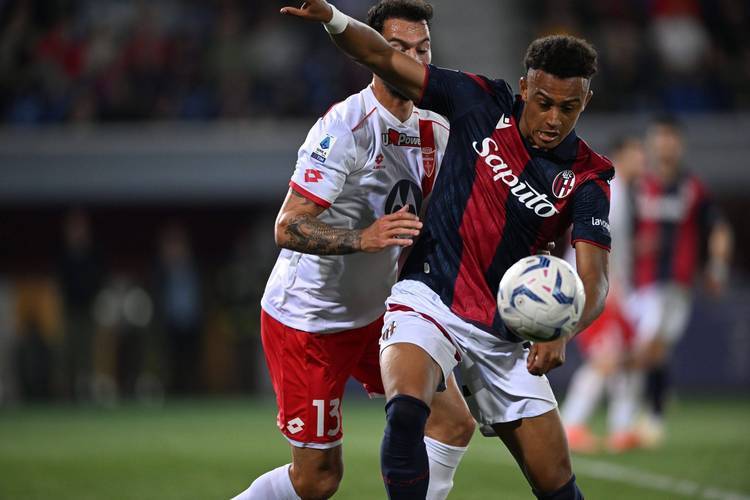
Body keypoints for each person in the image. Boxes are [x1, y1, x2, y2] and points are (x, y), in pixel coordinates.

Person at [281, 3, 613, 499]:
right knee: (407, 411)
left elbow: (595, 280)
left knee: (558, 487)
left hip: (506, 331)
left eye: (569, 108)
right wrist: (333, 16)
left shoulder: (588, 177)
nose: (553, 119)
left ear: (586, 101)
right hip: (429, 297)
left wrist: (564, 328)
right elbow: (381, 56)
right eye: (544, 102)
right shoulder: (478, 102)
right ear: (525, 88)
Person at [232, 2, 476, 499]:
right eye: (399, 48)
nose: (412, 60)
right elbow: (287, 227)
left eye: (422, 50)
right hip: (309, 321)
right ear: (374, 54)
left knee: (453, 422)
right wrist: (362, 238)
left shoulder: (437, 128)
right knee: (318, 480)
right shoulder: (345, 126)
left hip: (379, 316)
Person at [628, 115, 732, 447]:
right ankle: (651, 408)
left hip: (674, 285)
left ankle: (646, 417)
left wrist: (717, 267)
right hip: (634, 285)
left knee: (651, 347)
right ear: (651, 144)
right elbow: (616, 230)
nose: (665, 146)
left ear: (680, 145)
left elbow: (719, 229)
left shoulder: (693, 188)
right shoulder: (636, 186)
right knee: (648, 352)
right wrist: (634, 247)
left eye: (670, 139)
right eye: (659, 139)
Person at [561, 136, 645, 453]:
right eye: (637, 153)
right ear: (621, 155)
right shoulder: (613, 192)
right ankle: (571, 425)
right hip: (593, 283)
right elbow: (598, 243)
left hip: (609, 285)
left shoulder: (621, 191)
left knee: (625, 357)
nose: (643, 160)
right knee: (606, 359)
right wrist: (606, 287)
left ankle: (622, 427)